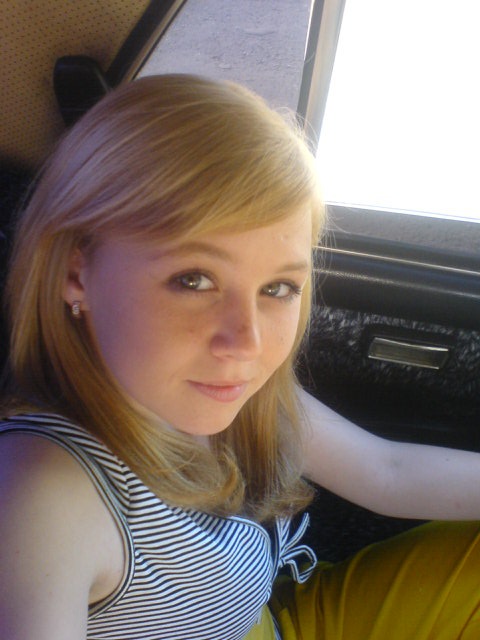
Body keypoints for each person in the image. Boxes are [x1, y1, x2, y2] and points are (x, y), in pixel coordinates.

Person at [1, 74, 480, 640]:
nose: (247, 343)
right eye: (194, 279)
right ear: (76, 272)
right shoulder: (42, 493)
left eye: (278, 288)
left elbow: (386, 472)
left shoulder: (236, 394)